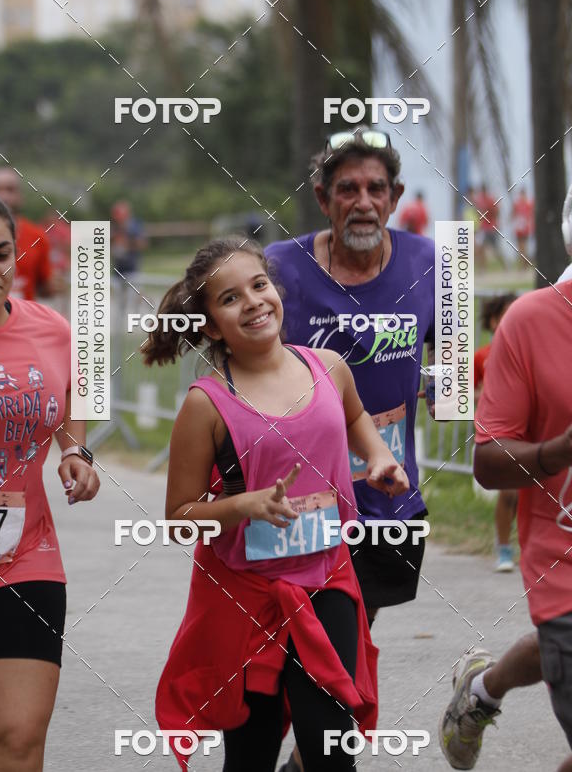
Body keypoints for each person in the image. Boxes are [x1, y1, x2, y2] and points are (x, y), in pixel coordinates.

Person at [143, 235, 410, 772]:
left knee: (330, 749)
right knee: (252, 754)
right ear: (212, 326)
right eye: (230, 298)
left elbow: (356, 417)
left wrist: (379, 457)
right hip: (246, 598)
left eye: (259, 285)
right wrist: (243, 506)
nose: (253, 302)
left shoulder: (329, 367)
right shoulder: (206, 405)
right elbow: (178, 519)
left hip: (327, 580)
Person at [265, 129, 435, 630]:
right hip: (298, 494)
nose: (363, 203)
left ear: (394, 197)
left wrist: (443, 384)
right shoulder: (280, 266)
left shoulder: (429, 263)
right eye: (347, 189)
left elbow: (450, 359)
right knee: (297, 637)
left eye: (375, 188)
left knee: (355, 632)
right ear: (323, 199)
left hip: (386, 492)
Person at [439, 191, 572, 771]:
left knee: (552, 649)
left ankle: (481, 690)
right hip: (563, 561)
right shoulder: (533, 321)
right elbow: (488, 458)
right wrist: (556, 451)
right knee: (561, 640)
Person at [0, 187, 100, 772]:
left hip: (21, 557)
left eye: (1, 254)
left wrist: (75, 450)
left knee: (17, 743)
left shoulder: (51, 328)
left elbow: (76, 388)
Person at [473, 294, 517, 572]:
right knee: (510, 492)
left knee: (530, 496)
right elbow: (465, 392)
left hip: (529, 429)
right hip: (497, 430)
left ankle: (536, 546)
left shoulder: (529, 350)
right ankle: (504, 548)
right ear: (492, 321)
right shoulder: (482, 356)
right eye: (505, 315)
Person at [0, 167, 57, 301]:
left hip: (24, 312)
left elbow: (46, 287)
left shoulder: (37, 236)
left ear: (20, 196)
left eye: (10, 189)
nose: (3, 196)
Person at [110, 200, 146, 278]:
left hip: (132, 267)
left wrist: (126, 243)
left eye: (119, 215)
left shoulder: (135, 226)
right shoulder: (115, 227)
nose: (117, 219)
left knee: (133, 284)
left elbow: (142, 244)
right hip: (118, 268)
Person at [512, 187, 534, 262]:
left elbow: (531, 215)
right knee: (520, 246)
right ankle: (523, 262)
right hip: (519, 228)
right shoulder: (517, 204)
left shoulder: (529, 204)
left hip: (525, 228)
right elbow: (514, 214)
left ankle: (525, 262)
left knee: (524, 246)